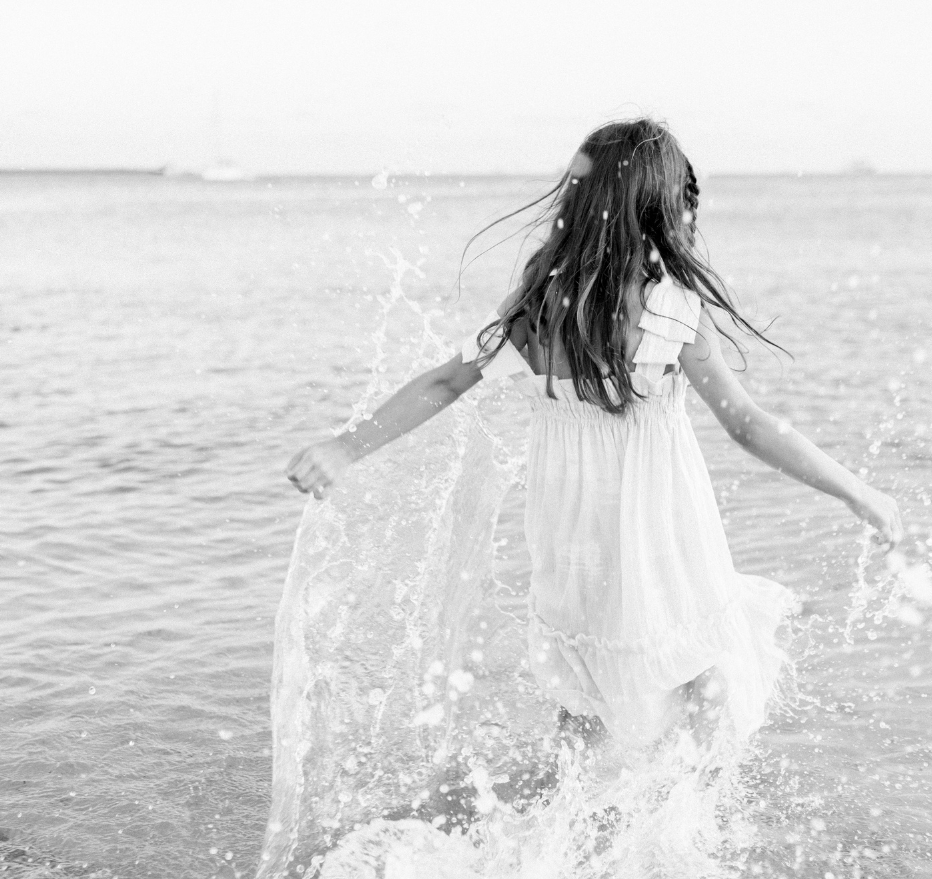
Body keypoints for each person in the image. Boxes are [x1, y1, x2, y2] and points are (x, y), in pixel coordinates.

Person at [285, 118, 904, 750]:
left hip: (569, 530)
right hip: (661, 525)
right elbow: (745, 423)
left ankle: (562, 835)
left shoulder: (540, 306)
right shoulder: (674, 310)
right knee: (704, 678)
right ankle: (683, 829)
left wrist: (342, 447)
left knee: (582, 707)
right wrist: (857, 492)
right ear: (664, 208)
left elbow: (445, 384)